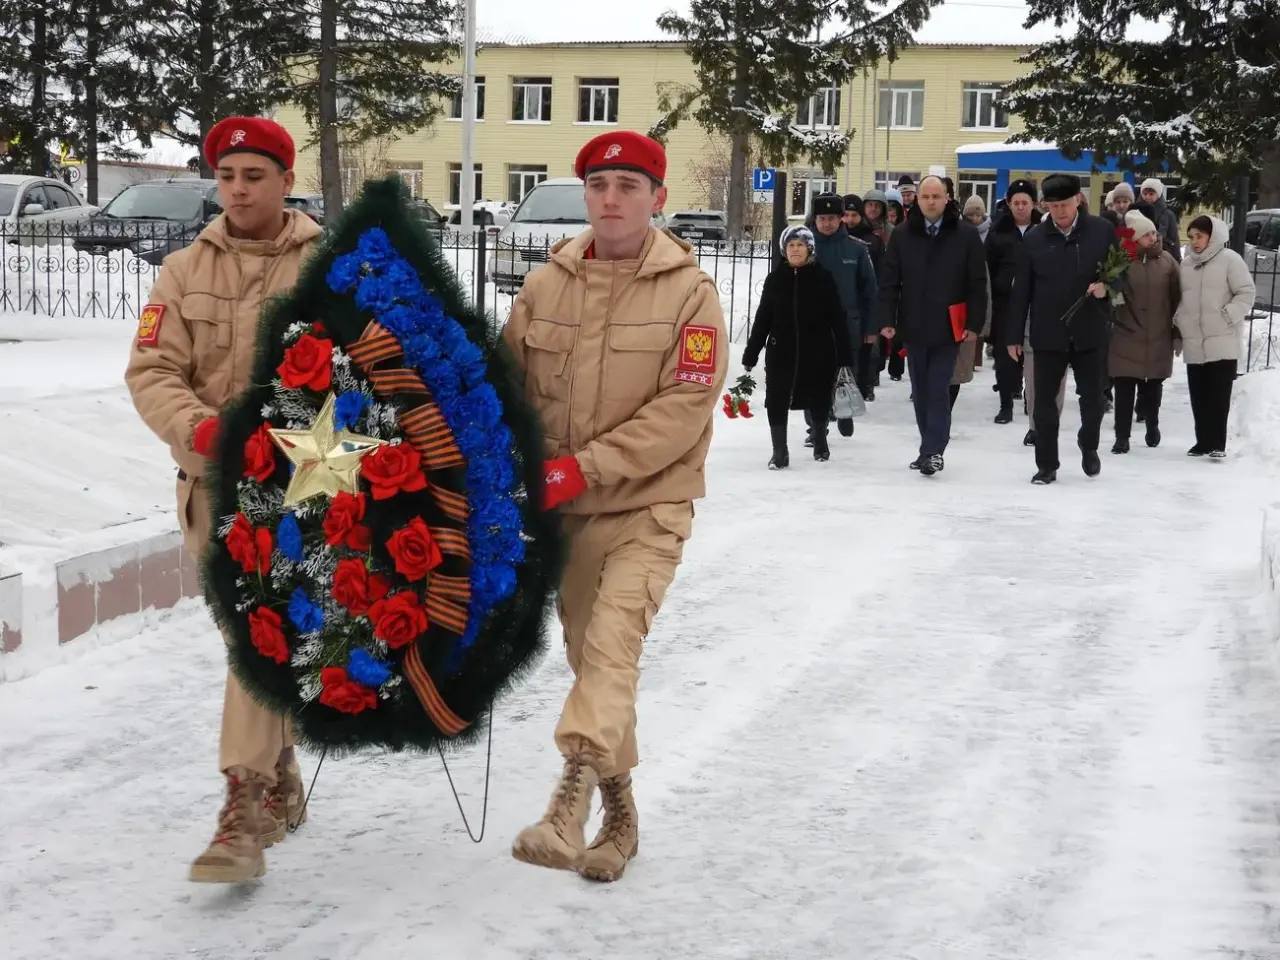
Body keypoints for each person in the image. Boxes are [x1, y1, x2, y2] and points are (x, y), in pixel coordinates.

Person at [503, 131, 727, 882]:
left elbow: (686, 407)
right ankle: (622, 813)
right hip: (565, 516)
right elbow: (504, 389)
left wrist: (584, 469)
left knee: (610, 651)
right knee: (589, 662)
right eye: (599, 185)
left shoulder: (690, 291)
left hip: (648, 508)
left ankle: (567, 802)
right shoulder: (546, 284)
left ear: (657, 199)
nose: (611, 199)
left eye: (629, 186)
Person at [125, 116, 322, 883]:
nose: (238, 191)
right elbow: (151, 370)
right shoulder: (180, 272)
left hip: (300, 488)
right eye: (228, 176)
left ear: (284, 179)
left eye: (255, 176)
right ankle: (280, 772)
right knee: (253, 638)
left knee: (257, 632)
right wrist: (199, 429)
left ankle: (242, 806)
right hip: (210, 486)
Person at [1005, 173, 1118, 484]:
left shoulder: (1101, 231)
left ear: (1078, 200)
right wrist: (1013, 335)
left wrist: (1106, 288)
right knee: (1042, 402)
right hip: (1048, 331)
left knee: (1093, 398)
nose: (1060, 212)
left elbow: (1122, 273)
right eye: (1053, 206)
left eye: (1065, 205)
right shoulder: (1034, 240)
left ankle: (1088, 443)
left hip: (1089, 328)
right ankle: (1047, 464)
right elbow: (1021, 292)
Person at [877, 175, 987, 476]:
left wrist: (975, 324)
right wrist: (887, 319)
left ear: (947, 198)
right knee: (921, 389)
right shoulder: (902, 235)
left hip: (950, 326)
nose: (930, 201)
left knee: (939, 387)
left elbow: (978, 284)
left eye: (936, 196)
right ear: (917, 200)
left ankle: (933, 450)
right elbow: (889, 282)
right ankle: (929, 446)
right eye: (925, 196)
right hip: (913, 325)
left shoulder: (965, 235)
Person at [742, 226, 854, 468]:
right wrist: (751, 353)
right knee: (776, 398)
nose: (795, 249)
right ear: (784, 249)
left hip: (818, 350)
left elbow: (838, 317)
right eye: (791, 245)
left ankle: (820, 440)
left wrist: (845, 356)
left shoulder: (823, 277)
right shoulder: (775, 279)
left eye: (800, 245)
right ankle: (779, 451)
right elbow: (763, 318)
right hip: (780, 350)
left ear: (809, 248)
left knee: (819, 396)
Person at [1174, 215, 1256, 458]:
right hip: (1194, 340)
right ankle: (1202, 441)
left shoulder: (1230, 260)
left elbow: (1246, 292)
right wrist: (1181, 318)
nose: (1195, 241)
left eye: (1200, 235)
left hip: (1222, 338)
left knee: (1218, 396)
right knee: (1198, 394)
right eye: (1191, 237)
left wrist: (1228, 315)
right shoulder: (1187, 264)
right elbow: (1180, 298)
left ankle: (1217, 443)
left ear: (1213, 235)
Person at [1108, 209, 1181, 453]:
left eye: (1153, 232)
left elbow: (1177, 298)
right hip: (1126, 334)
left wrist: (1177, 331)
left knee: (1152, 389)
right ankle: (1122, 437)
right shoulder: (1121, 261)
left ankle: (1152, 424)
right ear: (1135, 239)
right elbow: (1111, 295)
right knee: (1125, 389)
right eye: (1147, 234)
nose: (1154, 237)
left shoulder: (1168, 262)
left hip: (1158, 334)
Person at [811, 193, 878, 412]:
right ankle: (816, 428)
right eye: (822, 219)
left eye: (831, 218)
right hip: (812, 325)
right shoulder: (803, 248)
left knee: (845, 374)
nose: (827, 223)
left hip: (848, 325)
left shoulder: (857, 248)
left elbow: (869, 290)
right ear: (815, 220)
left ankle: (843, 412)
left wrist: (870, 328)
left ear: (840, 219)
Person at [986, 179, 1040, 427]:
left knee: (1034, 354)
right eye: (1015, 202)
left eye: (1024, 202)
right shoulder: (998, 232)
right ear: (1008, 204)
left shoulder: (1043, 229)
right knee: (1005, 355)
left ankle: (1032, 401)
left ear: (1034, 204)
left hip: (1037, 303)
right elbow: (987, 267)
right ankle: (1005, 403)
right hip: (1005, 302)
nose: (1020, 207)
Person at [1139, 178, 1182, 262]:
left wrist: (1177, 259)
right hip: (1140, 256)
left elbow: (1174, 239)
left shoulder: (1167, 214)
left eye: (1151, 194)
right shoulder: (1137, 211)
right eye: (1145, 194)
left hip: (1162, 257)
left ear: (1158, 195)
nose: (1147, 197)